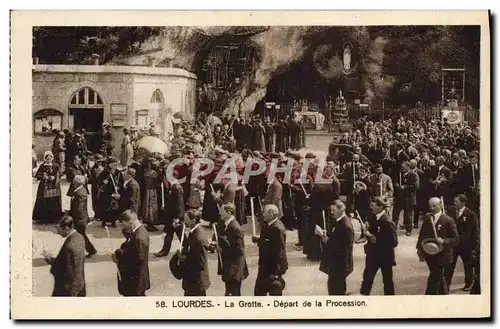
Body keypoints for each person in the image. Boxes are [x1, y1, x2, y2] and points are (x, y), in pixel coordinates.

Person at [416, 197, 459, 295]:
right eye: (430, 205)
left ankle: (428, 297)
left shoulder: (448, 220)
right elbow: (422, 235)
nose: (432, 208)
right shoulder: (427, 217)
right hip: (429, 253)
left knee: (434, 277)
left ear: (440, 205)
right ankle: (444, 295)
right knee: (439, 277)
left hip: (443, 255)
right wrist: (419, 250)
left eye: (434, 205)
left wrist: (443, 240)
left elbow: (456, 239)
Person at [360, 198, 398, 295]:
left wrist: (375, 239)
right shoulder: (373, 217)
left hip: (385, 257)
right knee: (367, 279)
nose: (370, 207)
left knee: (388, 282)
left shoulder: (388, 221)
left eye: (373, 206)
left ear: (380, 207)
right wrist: (367, 230)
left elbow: (394, 242)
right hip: (372, 255)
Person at [42, 215, 86, 296]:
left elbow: (62, 269)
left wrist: (49, 258)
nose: (57, 232)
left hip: (68, 289)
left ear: (66, 228)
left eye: (59, 229)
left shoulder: (69, 247)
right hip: (79, 284)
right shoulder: (79, 237)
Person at [317, 200, 354, 295]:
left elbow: (343, 249)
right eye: (331, 210)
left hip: (340, 266)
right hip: (336, 265)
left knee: (336, 291)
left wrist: (327, 241)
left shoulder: (346, 226)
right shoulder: (340, 222)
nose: (331, 212)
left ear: (341, 210)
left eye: (334, 210)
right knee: (333, 289)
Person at [211, 203, 249, 296]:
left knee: (234, 293)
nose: (220, 214)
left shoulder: (236, 228)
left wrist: (222, 249)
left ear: (228, 213)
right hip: (229, 265)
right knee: (229, 292)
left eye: (222, 212)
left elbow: (239, 250)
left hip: (235, 267)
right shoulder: (225, 224)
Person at [444, 194, 479, 291]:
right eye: (454, 201)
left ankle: (468, 283)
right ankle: (446, 284)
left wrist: (474, 248)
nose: (454, 203)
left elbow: (475, 233)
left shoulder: (471, 214)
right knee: (450, 265)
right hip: (454, 245)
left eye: (456, 201)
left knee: (467, 266)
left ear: (463, 202)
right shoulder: (450, 212)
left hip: (466, 246)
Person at [252, 204, 288, 296]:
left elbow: (279, 251)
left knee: (273, 293)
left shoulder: (277, 229)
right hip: (265, 265)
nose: (263, 215)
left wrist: (276, 273)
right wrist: (258, 240)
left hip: (272, 269)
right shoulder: (268, 225)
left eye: (264, 212)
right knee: (259, 292)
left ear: (271, 214)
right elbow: (267, 242)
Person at [113, 210, 150, 296]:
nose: (123, 227)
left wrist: (119, 256)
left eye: (124, 224)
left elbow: (135, 261)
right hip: (137, 281)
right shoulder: (141, 231)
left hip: (134, 282)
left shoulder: (138, 238)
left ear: (130, 222)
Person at [178, 209, 211, 296]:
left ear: (193, 221)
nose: (184, 221)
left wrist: (185, 259)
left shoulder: (199, 237)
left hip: (196, 282)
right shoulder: (194, 232)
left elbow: (201, 263)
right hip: (193, 281)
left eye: (186, 219)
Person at [155, 175, 185, 258]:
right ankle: (164, 250)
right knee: (169, 233)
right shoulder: (172, 186)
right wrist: (166, 206)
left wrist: (178, 217)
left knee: (180, 235)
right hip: (170, 215)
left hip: (175, 216)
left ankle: (187, 248)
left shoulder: (177, 188)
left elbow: (179, 204)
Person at [68, 175, 97, 258]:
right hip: (80, 218)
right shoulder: (80, 190)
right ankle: (90, 250)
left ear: (76, 183)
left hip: (79, 219)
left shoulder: (80, 193)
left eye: (73, 181)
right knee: (80, 236)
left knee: (79, 236)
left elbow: (79, 209)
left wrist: (71, 215)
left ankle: (90, 250)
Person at [32, 151, 62, 223]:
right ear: (45, 159)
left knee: (54, 201)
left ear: (52, 158)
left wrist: (54, 177)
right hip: (44, 186)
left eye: (50, 158)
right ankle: (44, 218)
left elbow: (60, 173)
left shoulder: (55, 165)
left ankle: (55, 217)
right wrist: (43, 176)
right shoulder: (42, 166)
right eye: (47, 158)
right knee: (44, 201)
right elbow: (37, 175)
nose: (49, 160)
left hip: (54, 186)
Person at [393, 161, 419, 236]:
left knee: (408, 215)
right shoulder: (399, 174)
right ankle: (393, 228)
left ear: (408, 167)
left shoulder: (414, 175)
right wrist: (397, 185)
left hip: (409, 198)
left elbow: (416, 186)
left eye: (403, 167)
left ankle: (408, 230)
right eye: (401, 167)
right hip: (399, 198)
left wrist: (405, 187)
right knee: (395, 214)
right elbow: (395, 183)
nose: (401, 169)